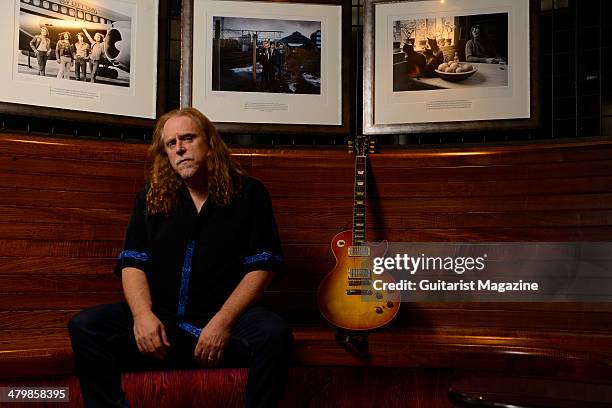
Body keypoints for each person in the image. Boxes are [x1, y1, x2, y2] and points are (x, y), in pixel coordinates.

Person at [68, 107, 293, 408]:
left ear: (210, 142)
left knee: (275, 334)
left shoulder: (250, 194)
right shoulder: (150, 196)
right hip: (163, 322)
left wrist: (222, 323)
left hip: (225, 319)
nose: (180, 149)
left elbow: (262, 267)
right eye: (171, 144)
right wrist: (142, 317)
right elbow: (133, 262)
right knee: (85, 326)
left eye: (188, 138)